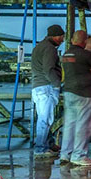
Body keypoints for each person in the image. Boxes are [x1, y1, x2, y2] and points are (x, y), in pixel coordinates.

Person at [60, 30, 91, 166]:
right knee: (84, 125)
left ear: (73, 40)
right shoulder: (86, 55)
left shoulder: (65, 54)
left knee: (70, 125)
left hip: (69, 92)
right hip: (85, 93)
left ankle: (65, 154)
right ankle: (79, 155)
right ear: (84, 41)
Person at [30, 24, 64, 157]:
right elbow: (49, 69)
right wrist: (57, 85)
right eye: (61, 37)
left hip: (37, 87)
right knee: (45, 119)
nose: (62, 40)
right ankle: (40, 149)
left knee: (44, 118)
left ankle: (48, 144)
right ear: (56, 36)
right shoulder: (50, 49)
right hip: (46, 87)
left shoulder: (39, 47)